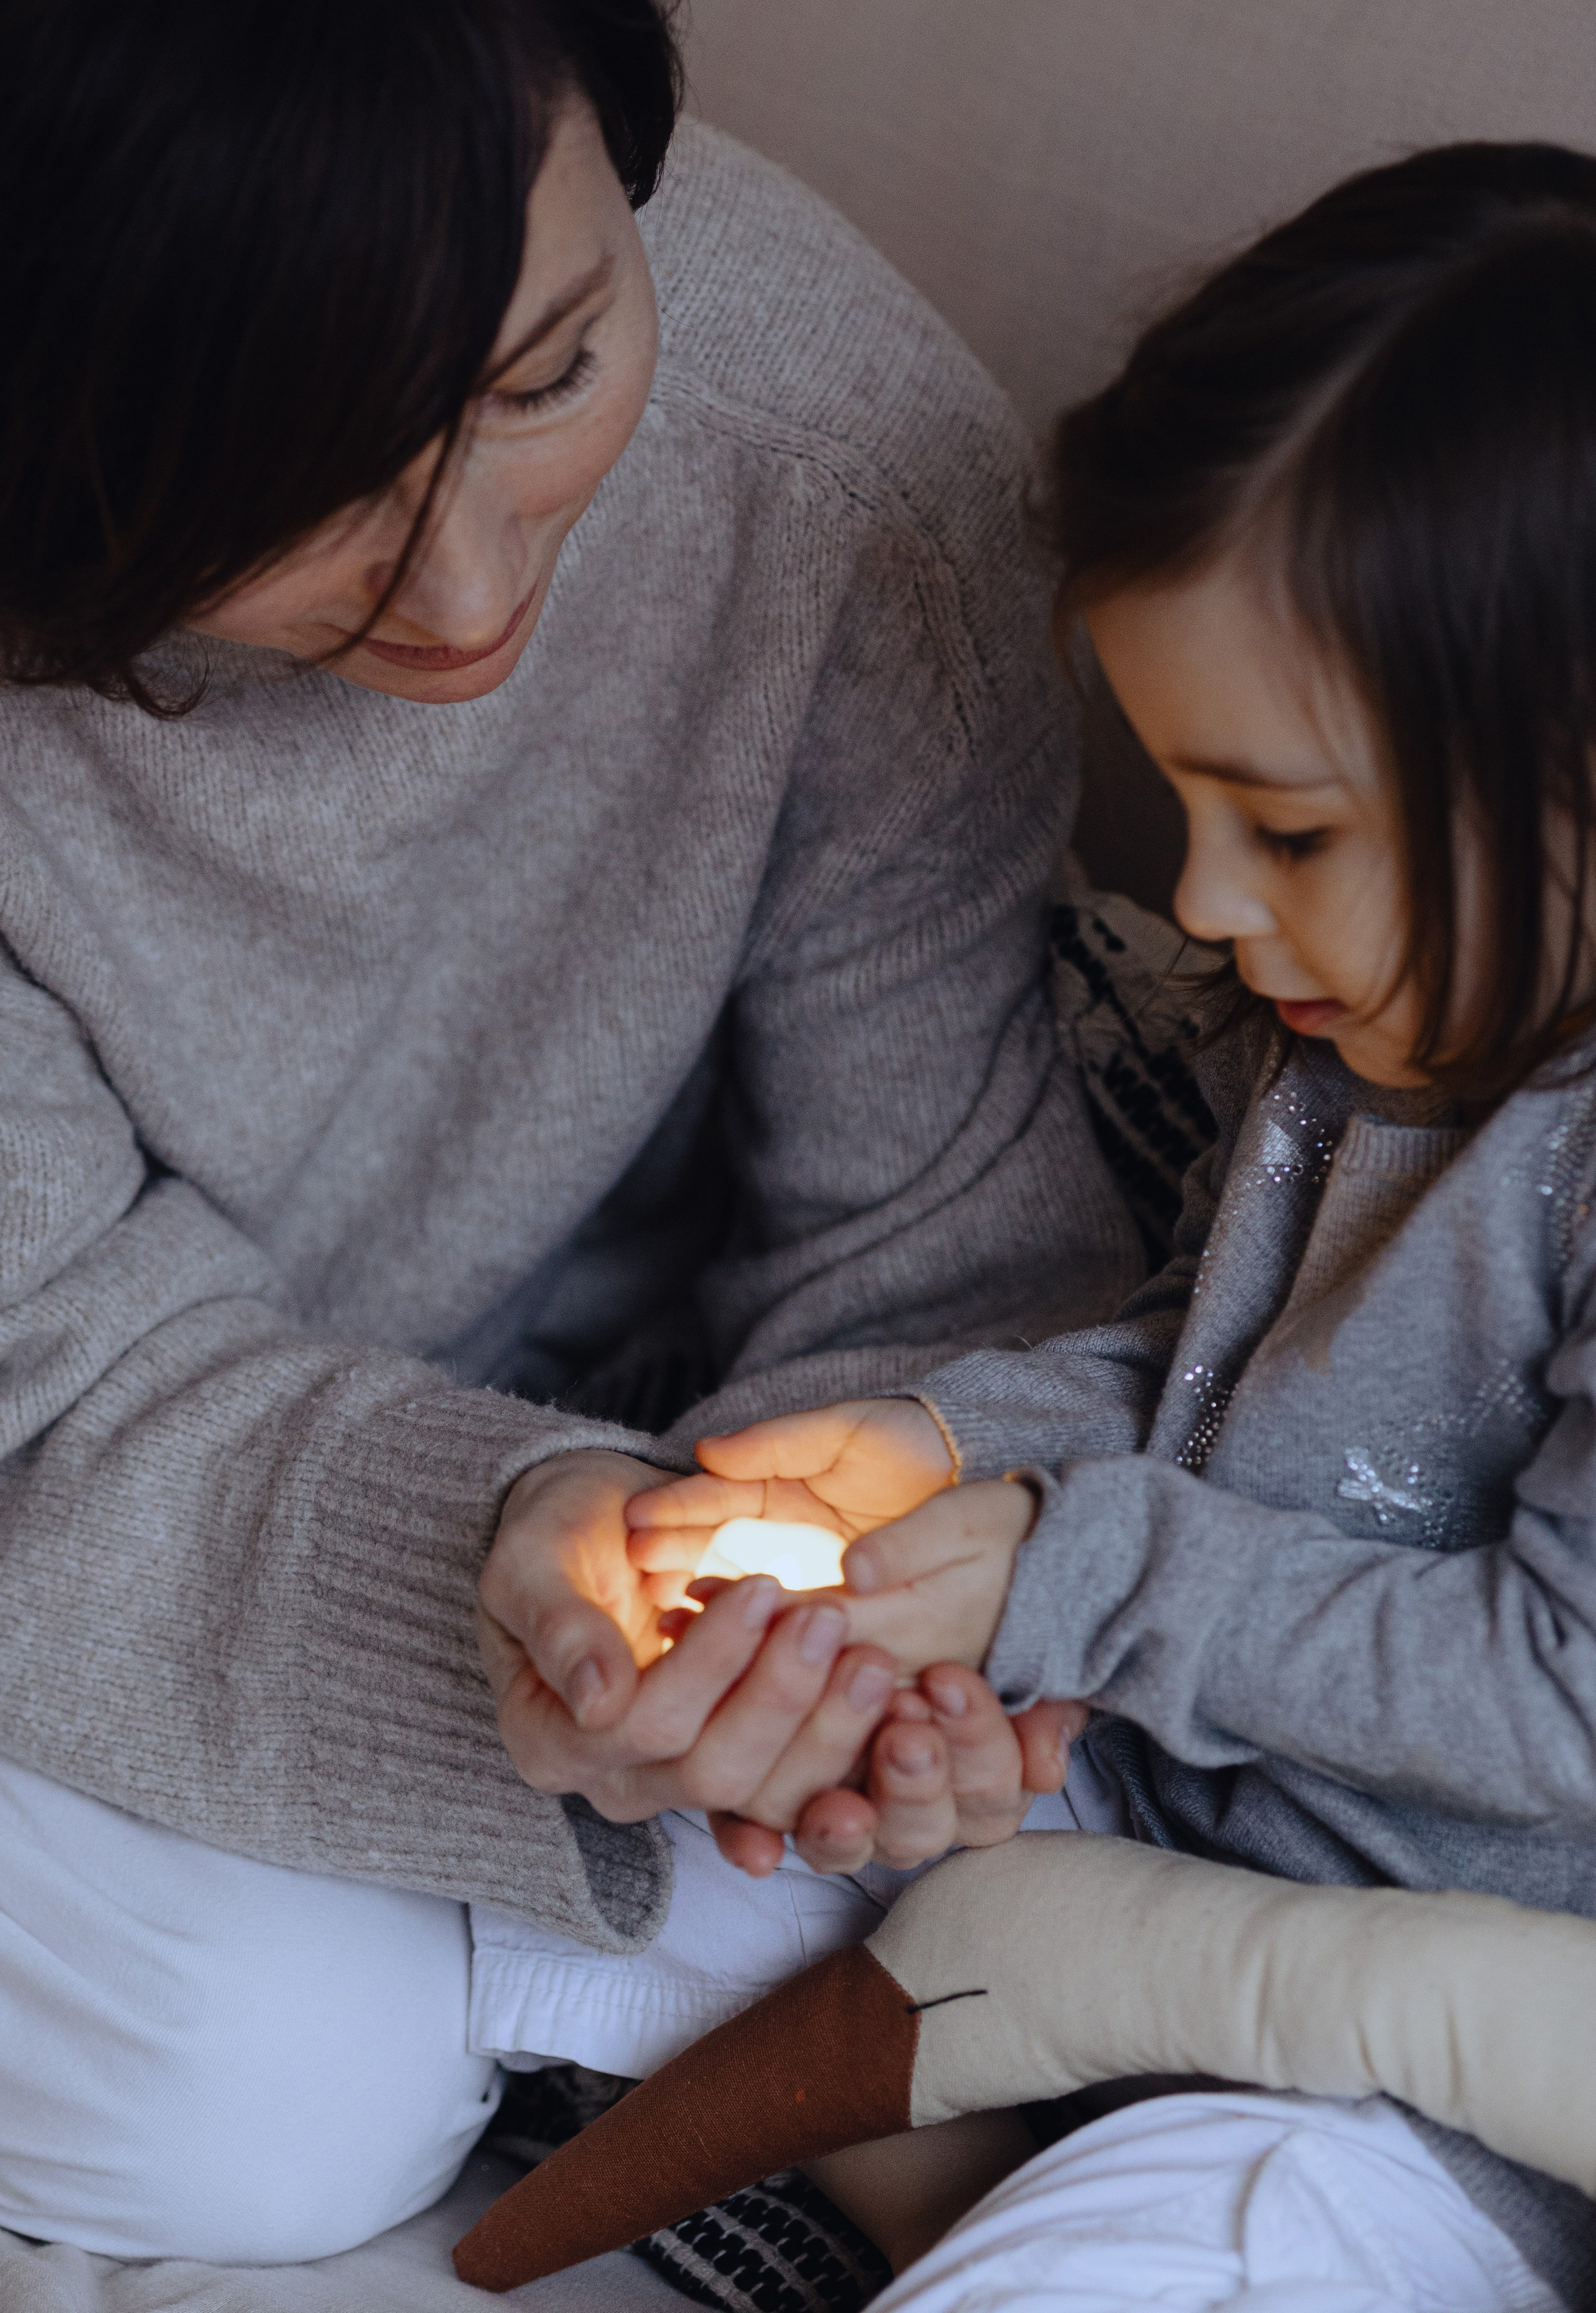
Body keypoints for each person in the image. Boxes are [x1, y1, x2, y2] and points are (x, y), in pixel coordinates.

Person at [0, 0, 1144, 2272]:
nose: (475, 593)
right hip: (57, 1478)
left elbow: (951, 1227)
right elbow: (21, 1379)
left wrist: (816, 1635)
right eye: (297, 490)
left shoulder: (827, 460)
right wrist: (479, 1567)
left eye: (542, 379)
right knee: (264, 2105)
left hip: (522, 1452)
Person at [646, 140, 1596, 2310]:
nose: (1204, 903)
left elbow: (1567, 1696)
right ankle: (930, 2131)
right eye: (1186, 805)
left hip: (1412, 2091)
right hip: (1139, 1868)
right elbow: (1225, 1374)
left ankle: (989, 2186)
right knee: (661, 1807)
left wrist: (1075, 1568)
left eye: (1289, 825)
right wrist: (940, 1449)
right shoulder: (1384, 1019)